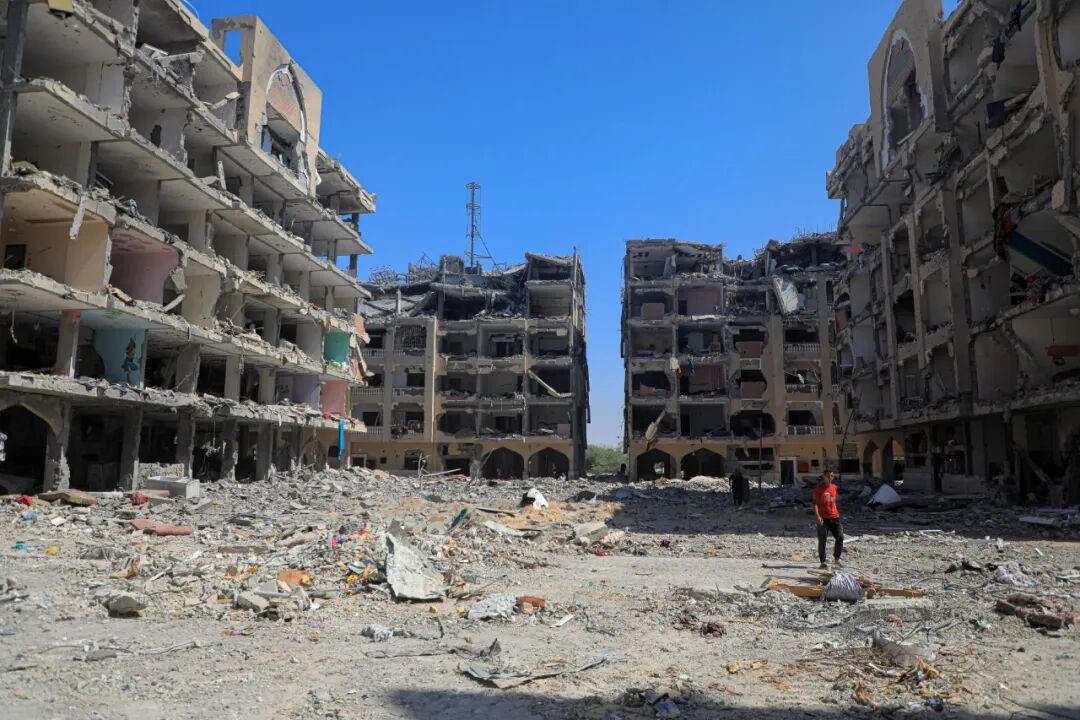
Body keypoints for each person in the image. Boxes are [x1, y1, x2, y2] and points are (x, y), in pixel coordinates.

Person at [812, 470, 844, 569]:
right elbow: (815, 504)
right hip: (823, 518)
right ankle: (823, 561)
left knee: (840, 537)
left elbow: (833, 501)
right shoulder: (818, 489)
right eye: (828, 476)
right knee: (822, 539)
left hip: (835, 517)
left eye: (832, 476)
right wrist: (818, 516)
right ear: (824, 476)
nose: (830, 478)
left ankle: (836, 559)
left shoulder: (834, 487)